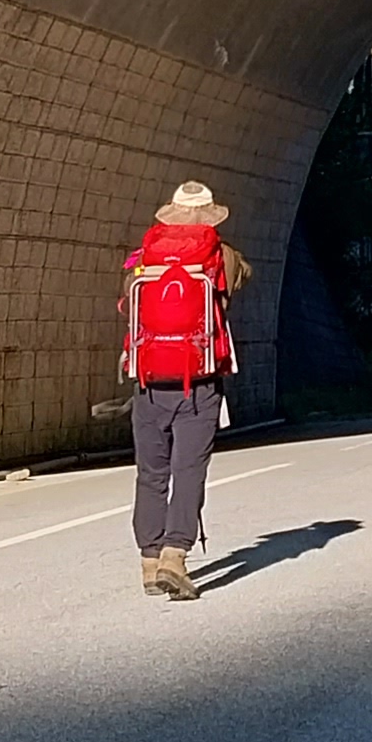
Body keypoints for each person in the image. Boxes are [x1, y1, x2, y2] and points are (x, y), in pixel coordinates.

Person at [123, 180, 248, 599]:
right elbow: (238, 283)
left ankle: (148, 561)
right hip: (199, 383)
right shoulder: (221, 255)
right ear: (209, 216)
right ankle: (175, 555)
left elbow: (126, 305)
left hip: (148, 381)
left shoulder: (144, 257)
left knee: (151, 473)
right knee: (188, 471)